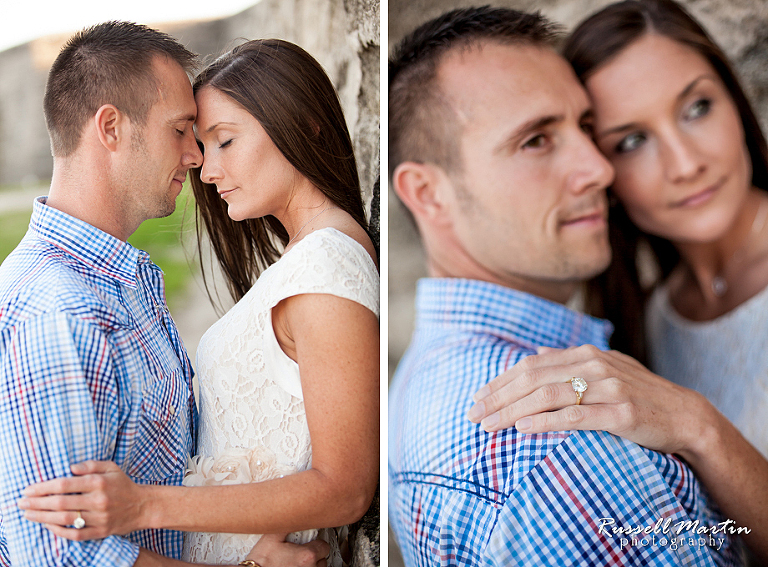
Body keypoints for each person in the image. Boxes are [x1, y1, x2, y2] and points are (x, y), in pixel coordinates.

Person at [387, 6, 742, 566]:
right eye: (535, 140)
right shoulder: (568, 447)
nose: (599, 169)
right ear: (429, 194)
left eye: (584, 128)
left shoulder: (424, 371)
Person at [16, 39, 380, 565]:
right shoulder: (58, 305)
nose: (204, 170)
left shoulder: (326, 264)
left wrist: (144, 507)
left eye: (222, 141)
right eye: (192, 138)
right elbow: (53, 548)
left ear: (302, 124)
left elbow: (345, 488)